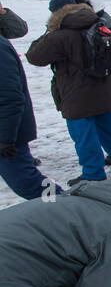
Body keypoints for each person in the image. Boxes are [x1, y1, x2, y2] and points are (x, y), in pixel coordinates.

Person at [25, 0, 111, 185]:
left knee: (83, 134)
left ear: (57, 13)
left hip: (77, 93)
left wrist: (49, 31)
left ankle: (93, 173)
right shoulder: (97, 22)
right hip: (104, 88)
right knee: (109, 129)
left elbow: (34, 57)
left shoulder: (61, 35)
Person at [0, 30, 54, 199]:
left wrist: (5, 138)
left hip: (8, 133)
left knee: (28, 183)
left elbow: (10, 96)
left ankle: (68, 208)